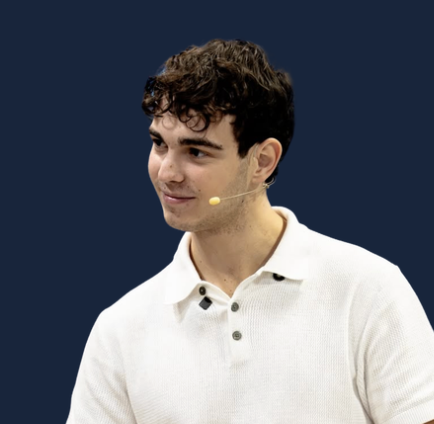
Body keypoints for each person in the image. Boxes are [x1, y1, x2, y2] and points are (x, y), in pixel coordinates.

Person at [67, 39, 434, 424]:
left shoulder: (369, 291)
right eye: (159, 144)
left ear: (262, 161)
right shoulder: (119, 331)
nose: (167, 173)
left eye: (196, 152)